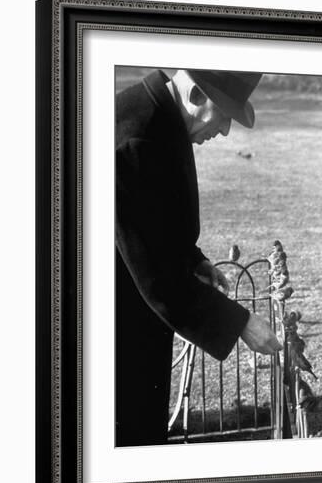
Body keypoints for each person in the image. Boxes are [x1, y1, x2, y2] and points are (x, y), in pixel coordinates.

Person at [115, 68, 281, 446]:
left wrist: (192, 259)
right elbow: (154, 275)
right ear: (194, 96)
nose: (223, 132)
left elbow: (152, 222)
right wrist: (241, 323)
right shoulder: (135, 136)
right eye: (223, 116)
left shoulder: (161, 119)